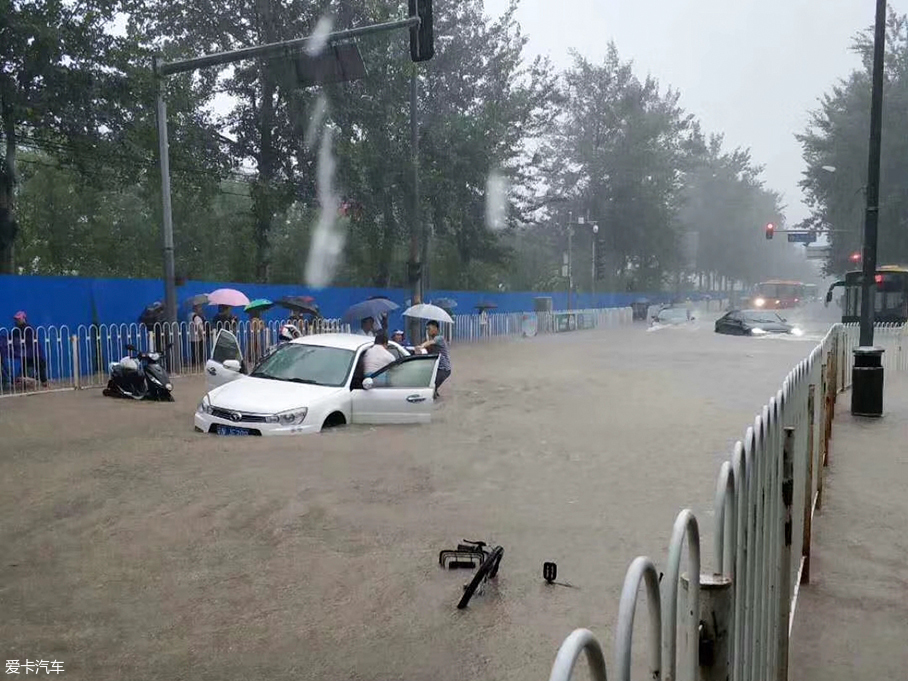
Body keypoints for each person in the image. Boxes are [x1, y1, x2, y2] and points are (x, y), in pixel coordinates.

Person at [11, 311, 48, 386]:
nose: (17, 321)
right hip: (26, 353)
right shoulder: (16, 330)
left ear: (24, 319)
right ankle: (24, 382)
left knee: (40, 366)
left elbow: (30, 341)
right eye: (16, 319)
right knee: (25, 369)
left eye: (19, 319)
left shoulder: (28, 328)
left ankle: (44, 382)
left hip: (34, 352)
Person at [418, 320, 451, 398]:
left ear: (435, 329)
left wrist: (421, 346)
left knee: (431, 389)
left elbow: (429, 343)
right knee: (433, 389)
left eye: (429, 329)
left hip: (443, 369)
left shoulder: (439, 338)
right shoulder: (431, 339)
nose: (428, 331)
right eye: (427, 329)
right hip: (437, 368)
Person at [188, 303, 206, 368]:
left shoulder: (189, 315)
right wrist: (203, 337)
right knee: (199, 353)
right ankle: (198, 366)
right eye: (200, 308)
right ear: (196, 308)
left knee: (194, 353)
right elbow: (200, 328)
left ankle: (194, 365)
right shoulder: (197, 317)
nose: (201, 309)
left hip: (191, 337)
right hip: (198, 338)